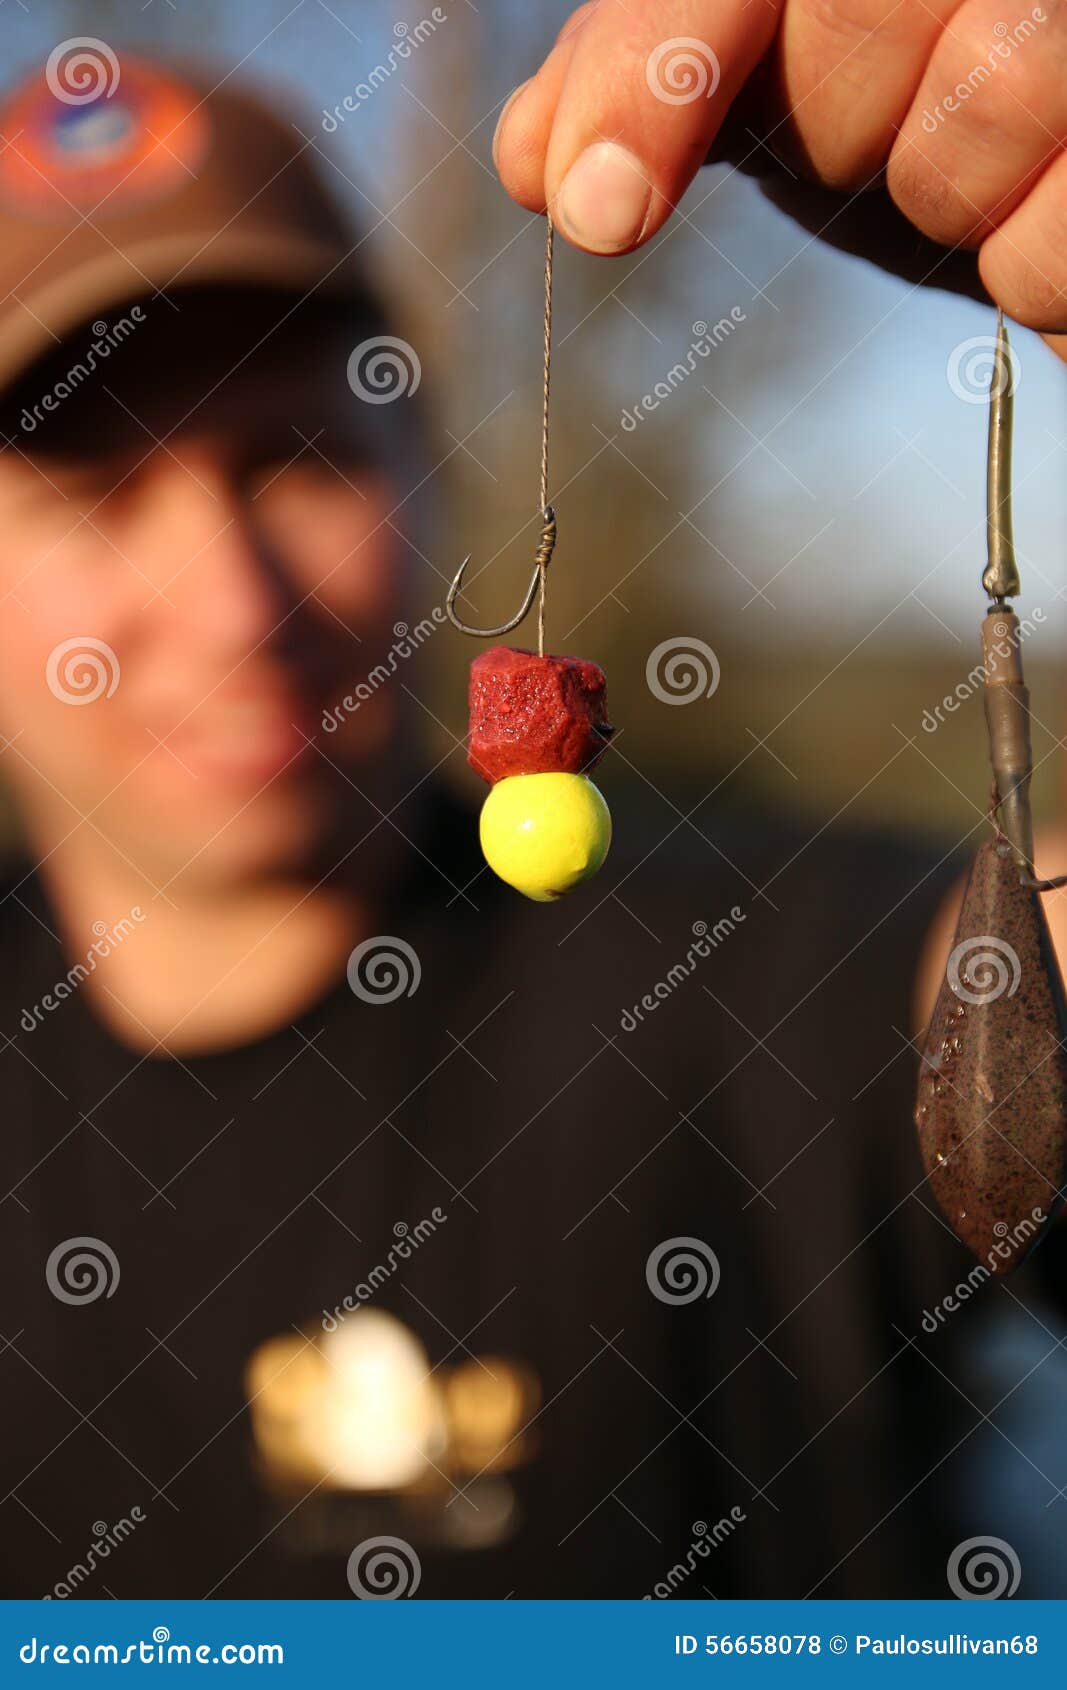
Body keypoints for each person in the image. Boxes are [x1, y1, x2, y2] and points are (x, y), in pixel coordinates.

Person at [0, 44, 1047, 1603]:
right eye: (97, 493)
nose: (230, 604)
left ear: (424, 477)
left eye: (297, 456)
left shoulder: (745, 970)